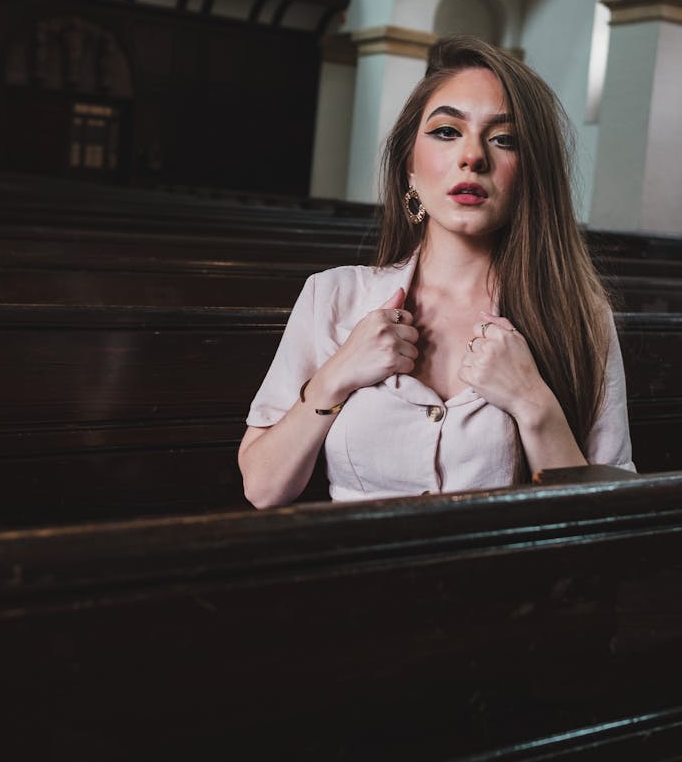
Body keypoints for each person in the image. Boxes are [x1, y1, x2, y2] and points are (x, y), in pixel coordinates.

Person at [239, 35, 634, 507]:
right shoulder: (333, 296)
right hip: (360, 573)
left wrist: (534, 404)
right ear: (409, 166)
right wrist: (335, 376)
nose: (473, 156)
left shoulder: (581, 319)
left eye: (504, 139)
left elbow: (606, 518)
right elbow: (262, 489)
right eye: (447, 131)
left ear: (531, 174)